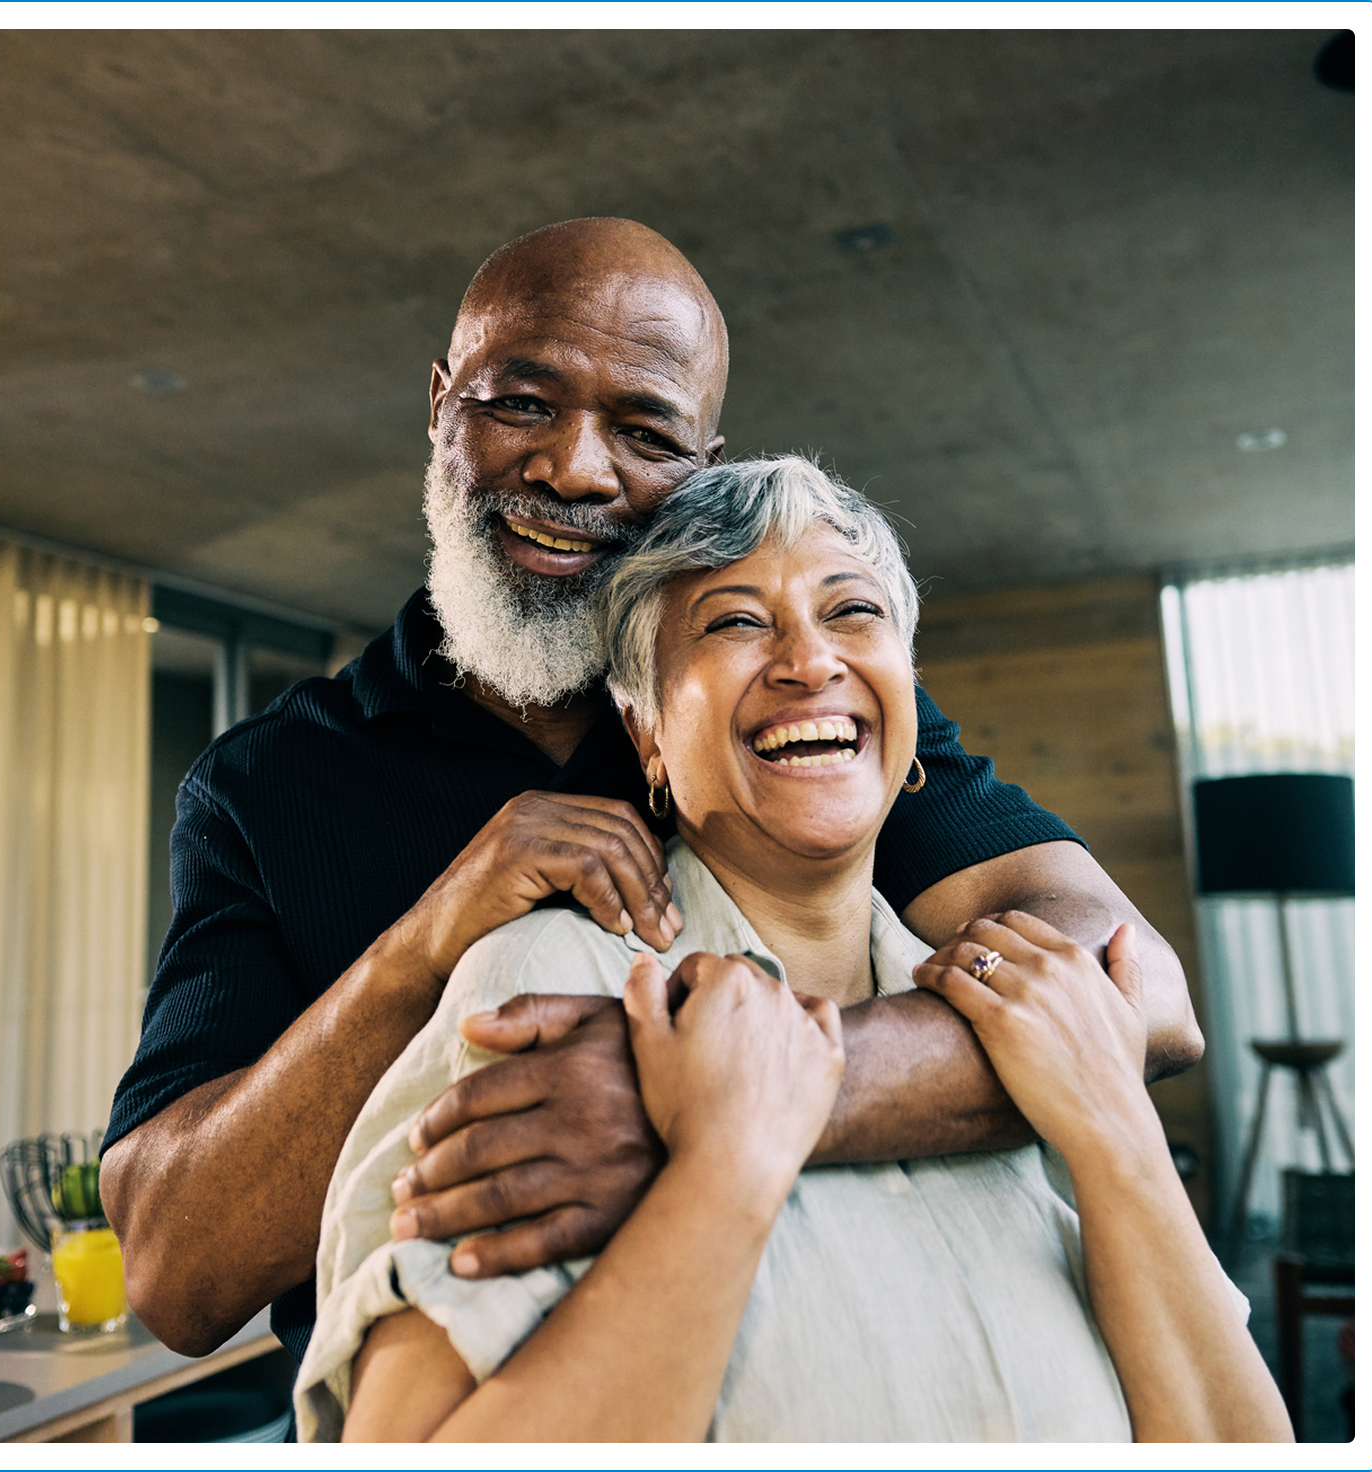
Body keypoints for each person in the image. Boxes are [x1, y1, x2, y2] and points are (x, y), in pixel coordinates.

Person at [99, 219, 1203, 1388]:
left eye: (642, 431)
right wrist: (423, 946)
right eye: (521, 402)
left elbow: (1138, 992)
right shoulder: (267, 781)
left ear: (702, 460)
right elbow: (176, 1273)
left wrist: (697, 1106)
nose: (576, 468)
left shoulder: (791, 719)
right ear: (439, 409)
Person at [295, 458, 1290, 1442]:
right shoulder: (547, 988)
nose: (809, 661)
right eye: (733, 620)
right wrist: (723, 1160)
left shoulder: (1019, 1012)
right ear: (643, 730)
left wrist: (1113, 1128)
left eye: (851, 612)